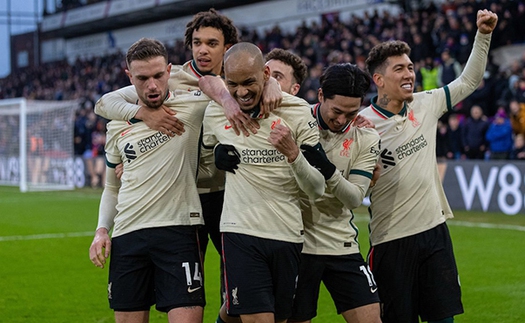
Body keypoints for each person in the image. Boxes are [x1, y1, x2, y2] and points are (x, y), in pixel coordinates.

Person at [94, 9, 281, 306]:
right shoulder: (173, 78)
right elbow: (105, 102)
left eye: (211, 43)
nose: (202, 49)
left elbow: (266, 81)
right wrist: (140, 113)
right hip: (187, 196)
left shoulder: (241, 81)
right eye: (196, 42)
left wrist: (272, 84)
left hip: (227, 192)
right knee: (189, 287)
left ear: (228, 47)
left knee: (238, 287)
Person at [360, 9, 498, 323]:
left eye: (410, 67)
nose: (409, 74)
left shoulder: (426, 103)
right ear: (379, 79)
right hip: (391, 242)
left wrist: (483, 36)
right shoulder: (361, 126)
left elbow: (469, 81)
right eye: (399, 69)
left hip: (435, 233)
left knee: (443, 319)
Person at [89, 38, 210, 323]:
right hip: (127, 236)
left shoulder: (191, 108)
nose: (152, 86)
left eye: (158, 76)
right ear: (130, 77)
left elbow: (231, 91)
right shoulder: (118, 123)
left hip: (178, 230)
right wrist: (102, 229)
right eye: (142, 78)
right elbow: (111, 187)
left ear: (169, 71)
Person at [202, 42, 325, 323]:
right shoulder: (217, 111)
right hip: (240, 231)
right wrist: (214, 157)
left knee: (262, 316)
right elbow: (204, 165)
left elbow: (317, 188)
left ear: (266, 74)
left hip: (287, 233)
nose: (241, 92)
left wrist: (293, 154)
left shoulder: (296, 111)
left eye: (249, 83)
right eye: (232, 84)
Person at [288, 63, 381, 323]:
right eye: (337, 111)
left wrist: (326, 169)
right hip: (296, 244)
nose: (341, 120)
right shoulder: (295, 121)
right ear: (320, 96)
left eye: (351, 113)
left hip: (341, 244)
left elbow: (353, 198)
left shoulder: (366, 137)